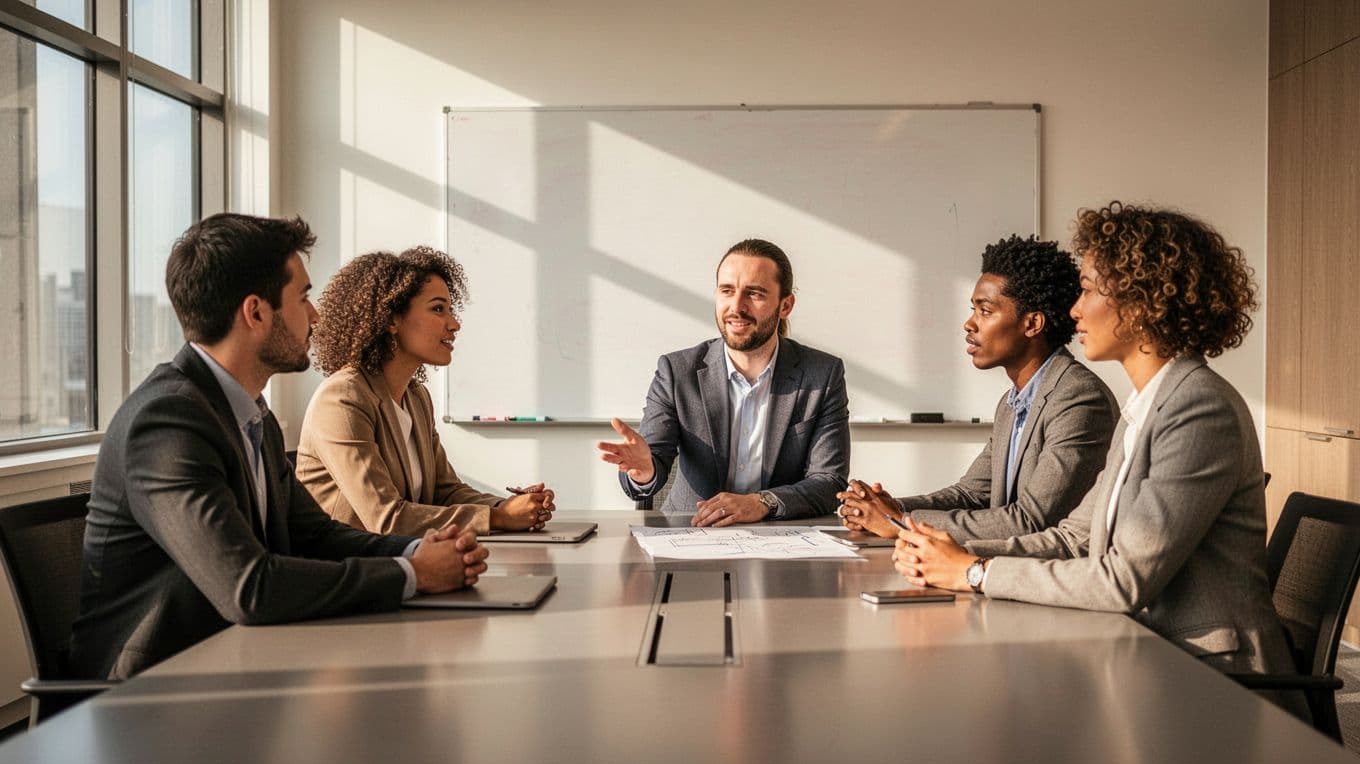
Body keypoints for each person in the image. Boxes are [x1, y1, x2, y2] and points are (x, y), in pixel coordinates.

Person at [69, 214, 488, 680]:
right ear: (256, 312)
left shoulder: (252, 417)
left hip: (238, 664)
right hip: (152, 698)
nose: (317, 315)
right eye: (304, 297)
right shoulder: (167, 423)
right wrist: (415, 575)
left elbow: (316, 537)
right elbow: (248, 586)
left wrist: (415, 550)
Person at [893, 202, 1298, 682]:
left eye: (1087, 291)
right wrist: (946, 553)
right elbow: (1072, 538)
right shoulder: (1145, 407)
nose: (1074, 310)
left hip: (1211, 676)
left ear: (1142, 300)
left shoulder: (1199, 408)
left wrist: (975, 572)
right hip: (1145, 650)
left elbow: (1123, 581)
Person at [838, 235, 1117, 542]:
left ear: (1032, 324)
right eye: (973, 310)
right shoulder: (1011, 403)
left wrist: (899, 521)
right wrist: (890, 507)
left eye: (985, 311)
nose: (969, 324)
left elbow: (1031, 521)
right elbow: (971, 494)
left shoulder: (1079, 398)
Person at [297, 247, 554, 536]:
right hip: (347, 570)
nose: (454, 324)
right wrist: (498, 518)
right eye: (438, 309)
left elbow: (445, 492)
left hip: (400, 561)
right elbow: (386, 519)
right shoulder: (343, 399)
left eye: (450, 309)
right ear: (392, 319)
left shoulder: (415, 397)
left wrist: (509, 506)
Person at [597, 238, 850, 525]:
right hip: (690, 535)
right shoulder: (676, 371)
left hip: (783, 536)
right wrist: (645, 471)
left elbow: (830, 482)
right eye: (727, 291)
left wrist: (762, 502)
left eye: (754, 294)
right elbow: (651, 460)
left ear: (785, 305)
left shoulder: (823, 374)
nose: (736, 307)